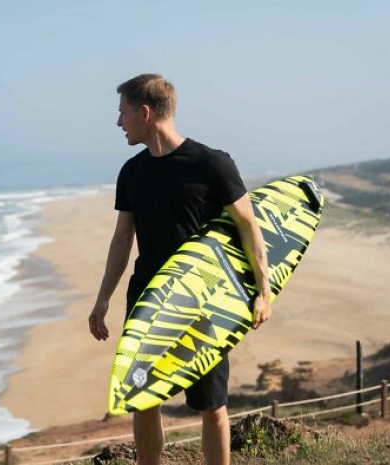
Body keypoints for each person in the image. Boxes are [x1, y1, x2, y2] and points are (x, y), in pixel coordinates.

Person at [88, 73, 271, 465]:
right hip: (147, 298)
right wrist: (103, 299)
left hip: (202, 301)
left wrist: (263, 291)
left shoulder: (211, 164)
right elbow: (122, 239)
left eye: (122, 113)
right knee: (143, 397)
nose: (118, 122)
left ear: (145, 113)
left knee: (211, 402)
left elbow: (248, 226)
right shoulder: (132, 172)